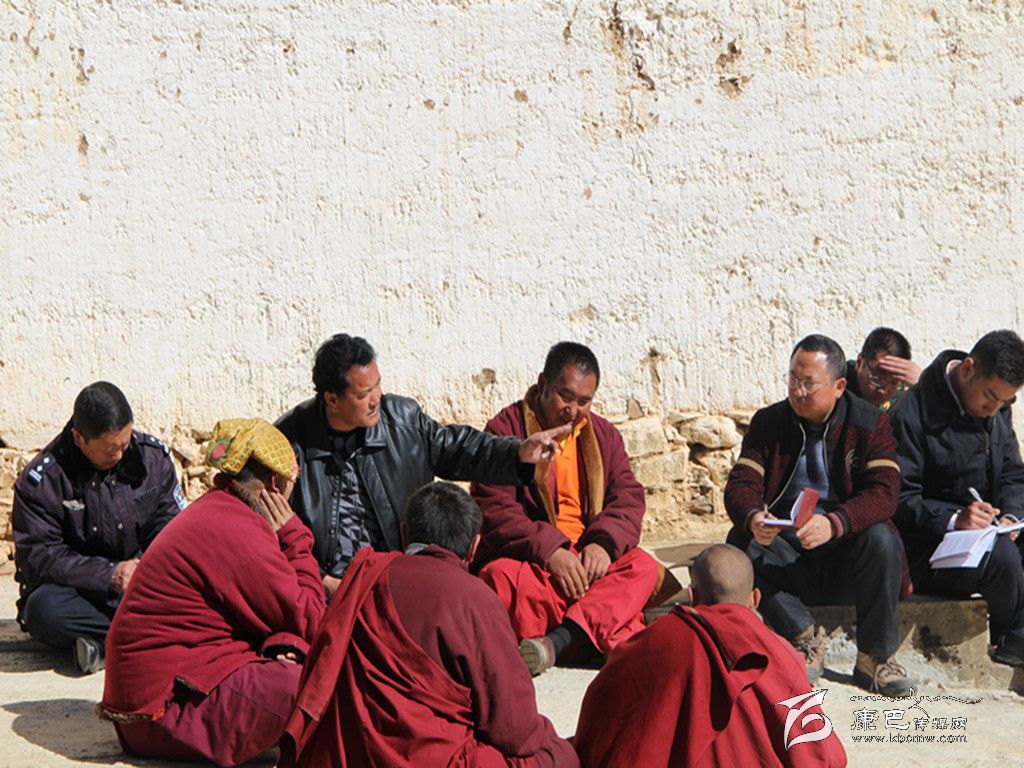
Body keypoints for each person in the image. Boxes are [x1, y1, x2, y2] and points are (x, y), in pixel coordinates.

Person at [279, 481, 578, 768]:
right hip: (436, 758)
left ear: (405, 533)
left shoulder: (365, 577)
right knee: (560, 757)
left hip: (348, 754)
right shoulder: (475, 599)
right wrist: (546, 735)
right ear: (474, 546)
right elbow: (514, 730)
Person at [98, 419, 325, 767]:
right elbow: (310, 616)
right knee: (311, 684)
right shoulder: (238, 528)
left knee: (292, 649)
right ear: (275, 486)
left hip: (162, 699)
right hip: (159, 714)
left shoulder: (221, 509)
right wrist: (294, 536)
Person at [276, 334, 569, 597]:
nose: (377, 399)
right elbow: (272, 531)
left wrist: (517, 452)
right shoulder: (289, 443)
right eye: (364, 394)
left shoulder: (402, 420)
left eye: (378, 386)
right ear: (332, 399)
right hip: (325, 592)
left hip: (398, 580)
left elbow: (459, 448)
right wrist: (321, 581)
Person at [725, 334, 914, 697]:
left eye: (808, 383)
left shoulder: (870, 423)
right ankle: (803, 635)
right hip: (788, 554)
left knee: (883, 538)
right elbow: (741, 484)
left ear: (839, 386)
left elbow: (884, 493)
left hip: (846, 556)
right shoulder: (769, 423)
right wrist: (754, 517)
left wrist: (835, 523)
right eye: (793, 380)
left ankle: (875, 658)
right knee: (739, 542)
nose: (797, 391)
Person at [472, 342, 663, 676]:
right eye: (565, 396)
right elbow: (494, 507)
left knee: (643, 566)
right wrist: (551, 551)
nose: (573, 410)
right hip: (538, 566)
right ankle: (600, 629)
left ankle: (556, 641)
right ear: (543, 384)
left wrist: (602, 544)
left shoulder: (603, 435)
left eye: (583, 401)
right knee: (499, 579)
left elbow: (627, 497)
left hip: (590, 566)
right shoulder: (506, 430)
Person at [574, 544, 848, 768]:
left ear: (692, 596)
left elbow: (602, 718)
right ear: (754, 599)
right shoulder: (782, 653)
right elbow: (824, 754)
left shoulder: (657, 640)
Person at [11, 381, 185, 674]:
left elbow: (173, 528)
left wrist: (147, 569)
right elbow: (40, 558)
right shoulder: (44, 481)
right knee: (44, 610)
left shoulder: (153, 459)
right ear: (79, 438)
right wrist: (110, 575)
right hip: (86, 593)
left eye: (125, 444)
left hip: (147, 585)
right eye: (109, 450)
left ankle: (105, 646)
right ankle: (154, 636)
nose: (120, 456)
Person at [890, 330, 1024, 666]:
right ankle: (1009, 639)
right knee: (1004, 558)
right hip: (929, 550)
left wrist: (1011, 515)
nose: (993, 410)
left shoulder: (996, 411)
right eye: (990, 398)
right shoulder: (910, 413)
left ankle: (1018, 639)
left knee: (1009, 544)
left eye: (1004, 403)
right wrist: (955, 520)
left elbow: (1012, 473)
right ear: (967, 369)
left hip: (989, 530)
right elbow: (900, 498)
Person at [846, 327, 920, 411]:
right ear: (859, 362)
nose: (883, 391)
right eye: (878, 379)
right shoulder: (837, 382)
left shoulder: (905, 392)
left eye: (893, 383)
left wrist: (923, 382)